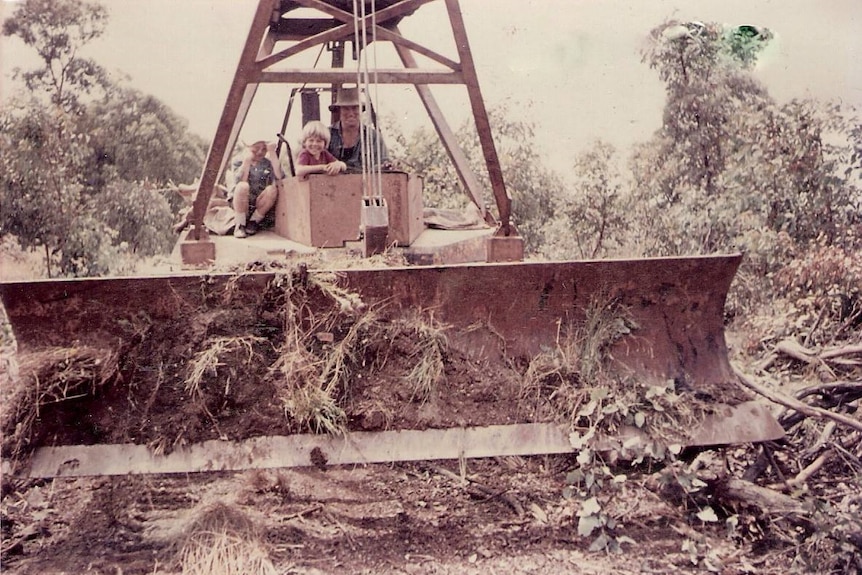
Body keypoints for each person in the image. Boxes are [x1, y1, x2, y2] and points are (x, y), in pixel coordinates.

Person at [230, 140, 285, 238]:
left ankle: (254, 221)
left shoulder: (267, 163)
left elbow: (280, 176)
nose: (260, 152)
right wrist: (247, 162)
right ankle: (240, 224)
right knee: (243, 186)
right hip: (241, 202)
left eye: (264, 149)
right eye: (256, 148)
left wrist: (272, 153)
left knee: (272, 190)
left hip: (258, 203)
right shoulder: (238, 160)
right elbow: (241, 181)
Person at [327, 87, 390, 172]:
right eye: (346, 108)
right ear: (339, 110)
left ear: (361, 110)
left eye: (354, 108)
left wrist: (384, 166)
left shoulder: (374, 137)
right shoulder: (327, 135)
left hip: (367, 184)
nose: (351, 113)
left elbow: (384, 165)